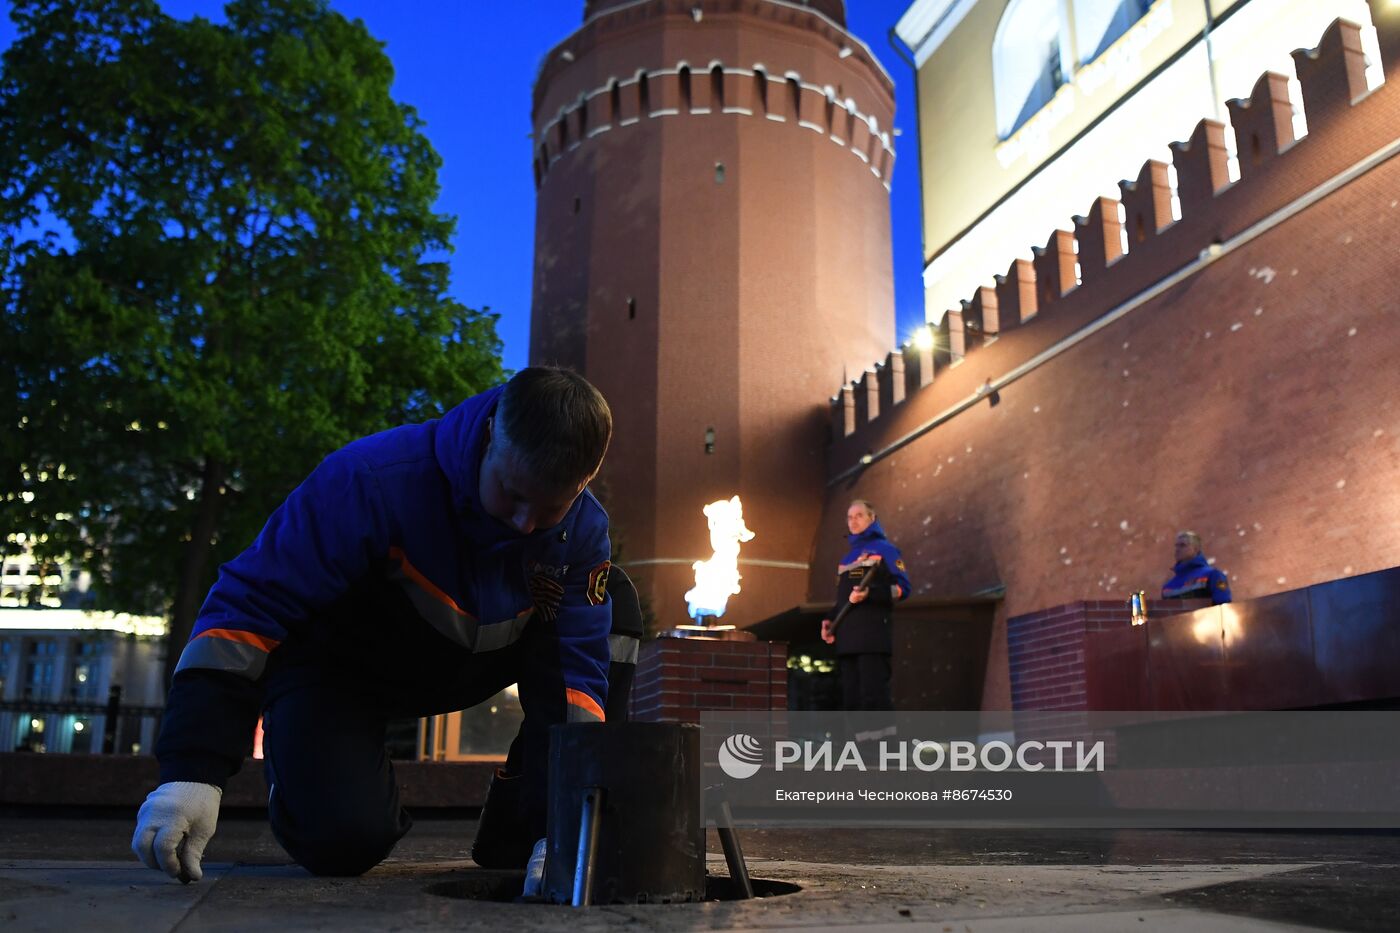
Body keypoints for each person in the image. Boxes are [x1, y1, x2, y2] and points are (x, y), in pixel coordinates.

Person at [132, 367, 614, 881]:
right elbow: (249, 608)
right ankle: (297, 765)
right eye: (512, 493)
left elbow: (575, 682)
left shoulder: (582, 533)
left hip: (463, 666)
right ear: (492, 431)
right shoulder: (370, 480)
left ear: (584, 483)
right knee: (343, 844)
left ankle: (530, 827)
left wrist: (563, 823)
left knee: (615, 611)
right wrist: (192, 772)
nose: (524, 524)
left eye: (550, 508)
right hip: (339, 670)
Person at [820, 500, 911, 710]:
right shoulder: (845, 560)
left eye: (859, 515)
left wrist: (871, 594)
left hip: (873, 639)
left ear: (872, 518)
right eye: (850, 517)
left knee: (874, 701)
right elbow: (843, 599)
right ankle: (857, 744)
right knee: (851, 703)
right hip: (847, 640)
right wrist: (829, 619)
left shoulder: (886, 550)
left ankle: (882, 744)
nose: (853, 521)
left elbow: (903, 589)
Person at [1161, 530, 1232, 604]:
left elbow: (1223, 606)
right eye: (1176, 546)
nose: (1177, 549)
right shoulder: (1167, 587)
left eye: (1183, 545)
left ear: (1196, 549)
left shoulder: (1214, 576)